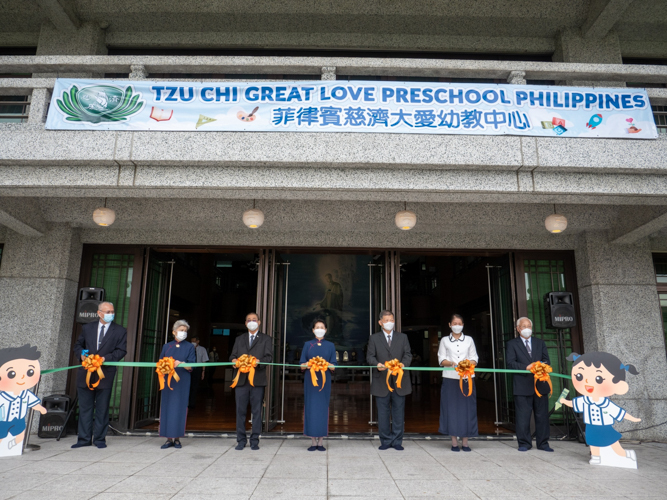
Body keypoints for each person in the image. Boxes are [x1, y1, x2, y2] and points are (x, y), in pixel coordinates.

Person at [560, 351, 641, 465]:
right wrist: (564, 401)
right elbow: (573, 404)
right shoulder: (585, 400)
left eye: (598, 379)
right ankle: (596, 457)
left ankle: (625, 455)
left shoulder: (606, 403)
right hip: (591, 426)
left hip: (605, 427)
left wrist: (633, 419)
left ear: (618, 385)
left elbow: (620, 413)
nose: (587, 381)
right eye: (580, 376)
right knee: (593, 442)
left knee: (613, 442)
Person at [72, 301, 127, 449]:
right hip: (86, 373)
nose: (111, 314)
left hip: (105, 373)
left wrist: (104, 359)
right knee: (85, 407)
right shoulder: (87, 328)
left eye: (112, 312)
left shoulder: (120, 331)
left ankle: (99, 439)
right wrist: (82, 356)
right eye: (107, 312)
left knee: (102, 408)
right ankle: (83, 439)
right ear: (99, 313)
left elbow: (121, 351)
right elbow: (78, 346)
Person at [506, 317, 553, 452]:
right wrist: (527, 367)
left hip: (540, 384)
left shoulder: (540, 343)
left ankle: (543, 443)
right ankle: (524, 443)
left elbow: (546, 360)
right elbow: (510, 363)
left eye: (529, 326)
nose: (527, 328)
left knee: (542, 416)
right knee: (523, 417)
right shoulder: (512, 344)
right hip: (522, 385)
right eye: (523, 326)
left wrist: (540, 366)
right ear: (518, 329)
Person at [367, 310, 412, 451]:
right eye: (386, 320)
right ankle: (385, 440)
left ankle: (397, 441)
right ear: (380, 322)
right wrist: (377, 364)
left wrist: (403, 365)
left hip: (400, 381)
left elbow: (408, 355)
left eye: (391, 320)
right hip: (381, 381)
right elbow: (370, 357)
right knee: (383, 413)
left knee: (399, 412)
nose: (389, 322)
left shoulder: (402, 337)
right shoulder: (374, 338)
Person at [230, 313, 273, 450]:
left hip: (257, 380)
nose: (252, 322)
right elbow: (232, 356)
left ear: (259, 322)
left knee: (256, 411)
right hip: (241, 381)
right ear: (245, 323)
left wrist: (259, 362)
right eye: (249, 320)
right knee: (240, 411)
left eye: (254, 320)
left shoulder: (266, 339)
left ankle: (255, 440)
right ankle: (241, 440)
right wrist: (233, 361)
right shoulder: (239, 339)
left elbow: (269, 358)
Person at [438, 314, 479, 451]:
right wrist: (452, 363)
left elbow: (474, 358)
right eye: (454, 323)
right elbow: (441, 359)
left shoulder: (469, 340)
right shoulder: (444, 340)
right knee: (451, 409)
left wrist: (467, 364)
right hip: (450, 378)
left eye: (459, 323)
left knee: (467, 409)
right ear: (450, 325)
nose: (457, 325)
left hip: (467, 378)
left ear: (463, 325)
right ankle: (454, 442)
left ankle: (466, 442)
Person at [0, 345, 47, 454]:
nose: (21, 377)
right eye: (12, 374)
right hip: (3, 420)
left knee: (20, 435)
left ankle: (13, 446)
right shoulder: (3, 396)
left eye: (30, 372)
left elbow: (33, 402)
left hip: (19, 420)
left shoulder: (25, 394)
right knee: (1, 435)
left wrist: (40, 408)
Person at [300, 318, 337, 451]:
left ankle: (321, 441)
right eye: (317, 327)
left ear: (325, 330)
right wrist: (308, 364)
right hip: (310, 380)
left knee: (323, 408)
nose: (320, 329)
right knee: (310, 407)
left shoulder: (330, 345)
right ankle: (312, 441)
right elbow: (301, 364)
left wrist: (328, 365)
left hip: (324, 380)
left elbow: (334, 365)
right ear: (313, 330)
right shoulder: (307, 344)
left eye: (322, 327)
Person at [158, 320, 196, 449]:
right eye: (181, 330)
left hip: (182, 381)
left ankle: (178, 438)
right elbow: (160, 363)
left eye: (185, 331)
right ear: (174, 332)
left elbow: (192, 365)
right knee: (167, 407)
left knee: (180, 407)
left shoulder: (190, 347)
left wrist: (181, 363)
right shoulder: (166, 346)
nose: (183, 333)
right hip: (168, 381)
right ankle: (168, 438)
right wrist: (166, 365)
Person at [188, 337, 209, 409]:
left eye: (194, 341)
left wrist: (203, 371)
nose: (192, 342)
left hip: (197, 369)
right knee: (188, 386)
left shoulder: (202, 349)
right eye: (191, 341)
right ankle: (186, 402)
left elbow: (204, 361)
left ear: (198, 341)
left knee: (194, 386)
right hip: (188, 368)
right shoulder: (188, 348)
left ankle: (192, 403)